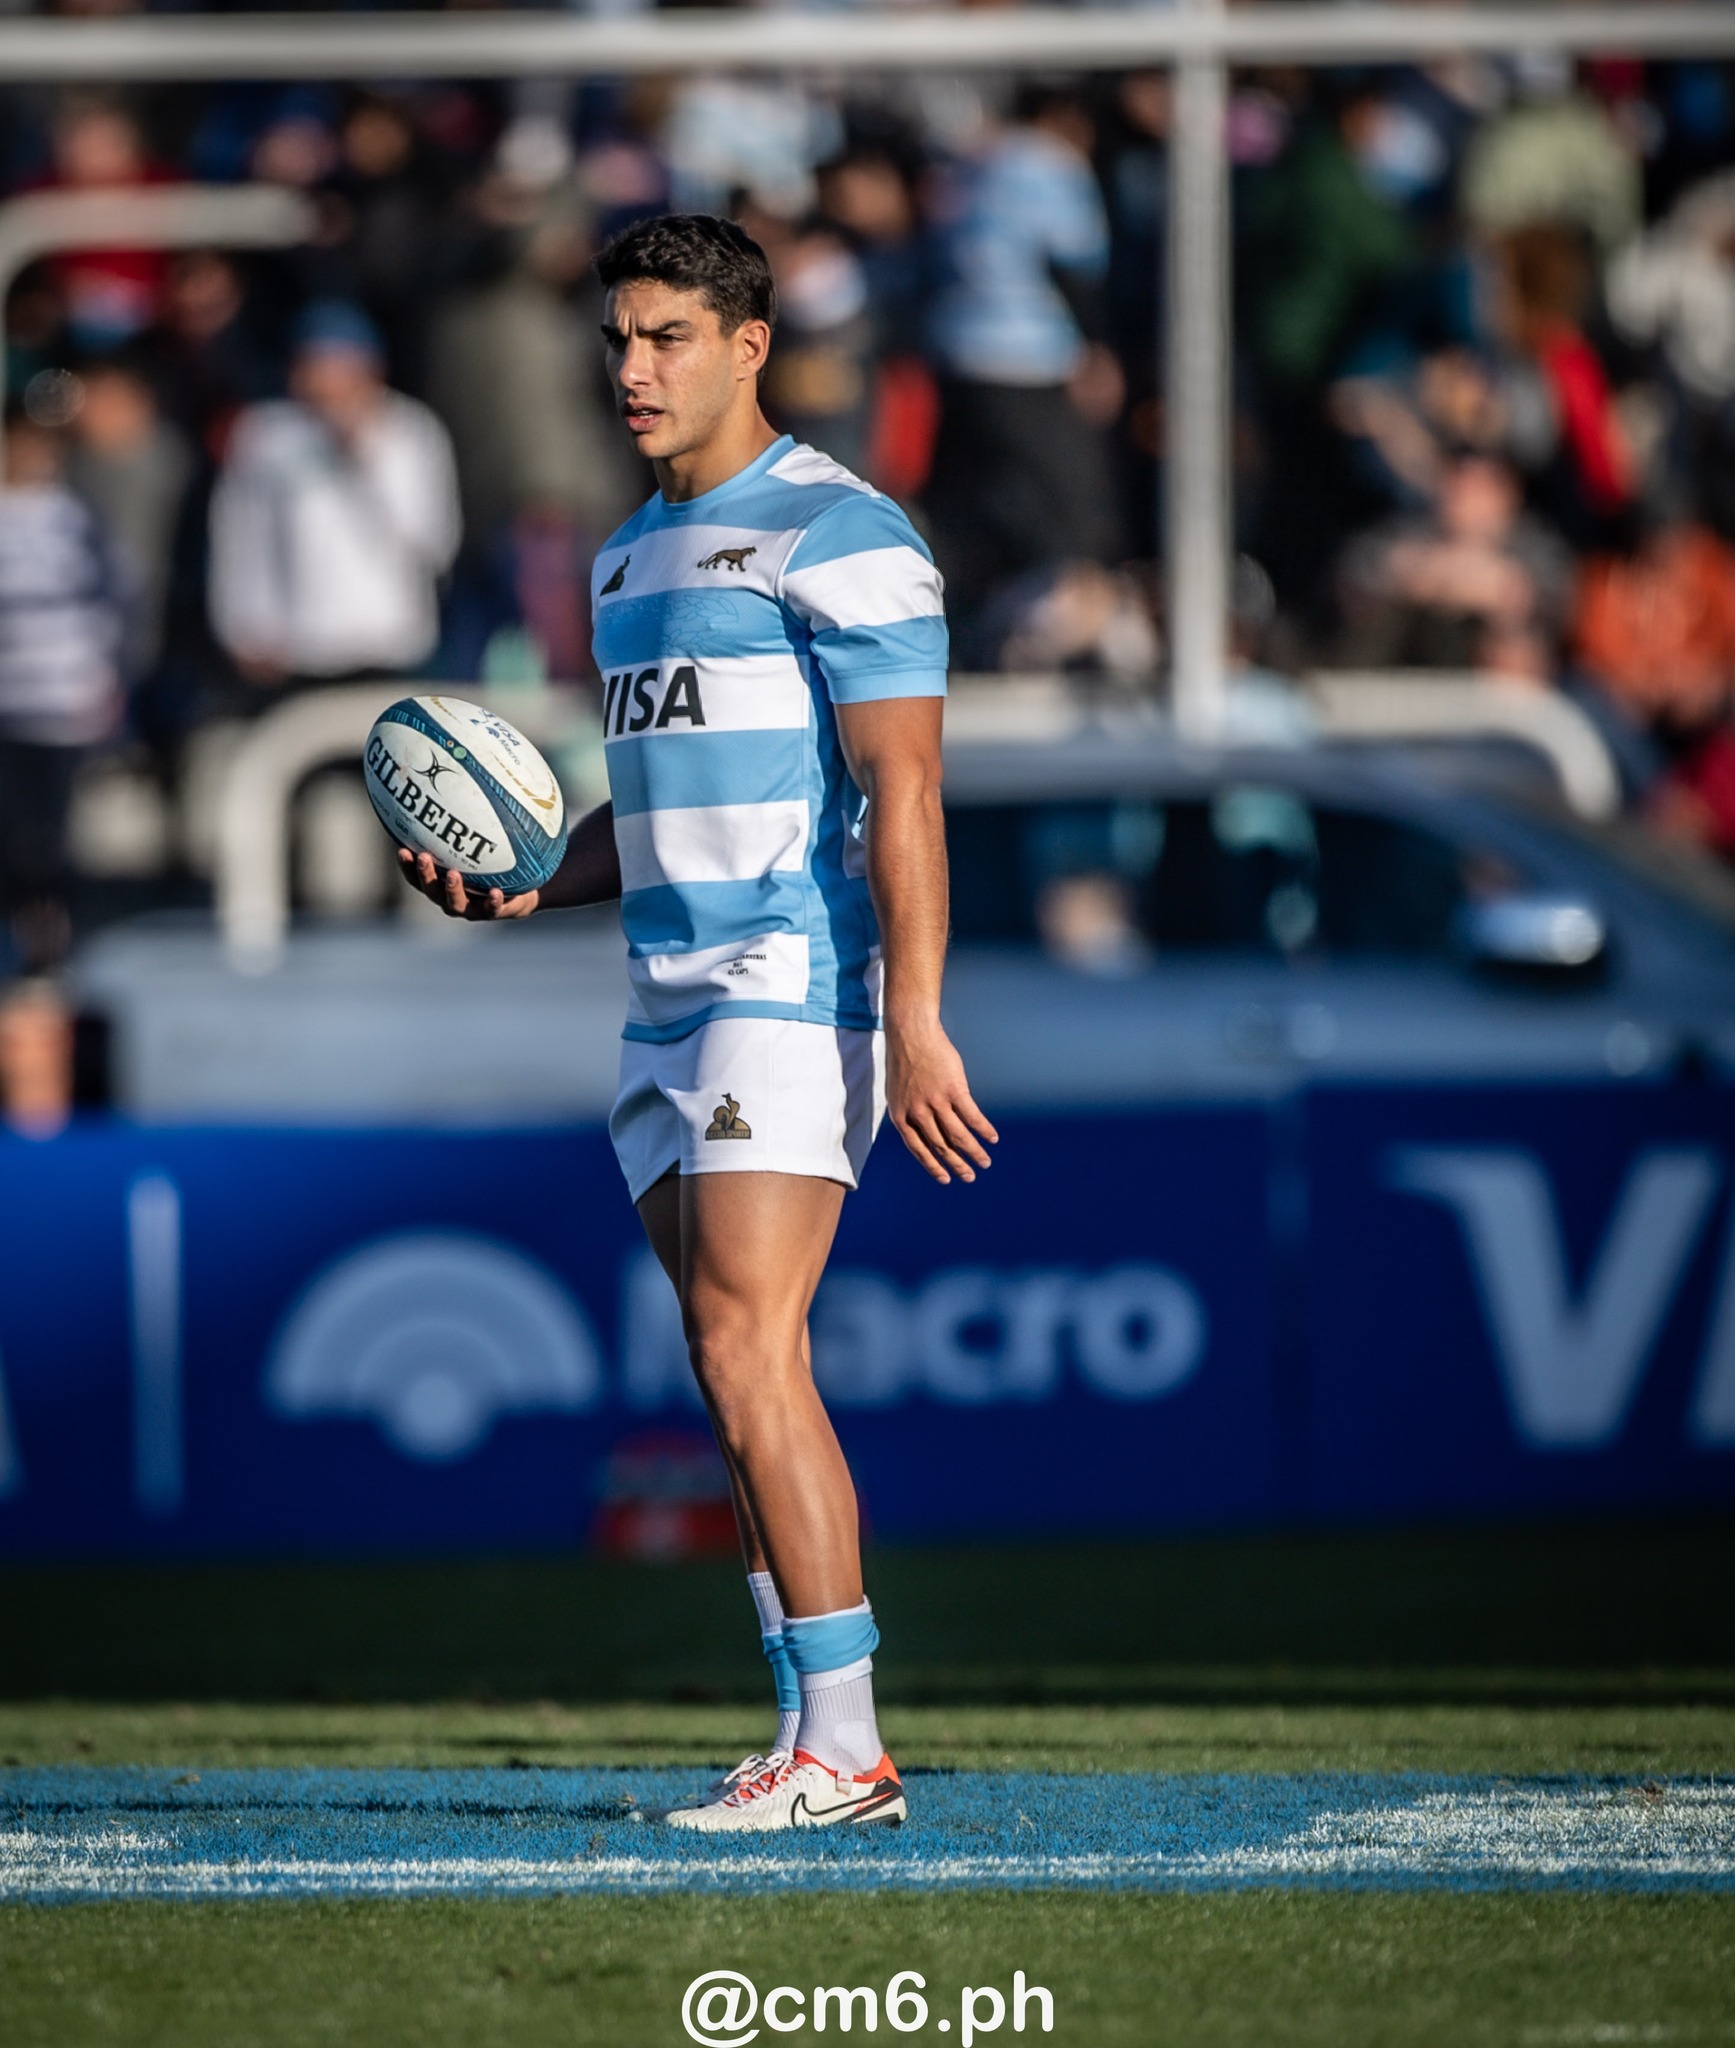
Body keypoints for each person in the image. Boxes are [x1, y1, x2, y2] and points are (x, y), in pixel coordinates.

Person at [399, 213, 995, 1833]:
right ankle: (807, 1729)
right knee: (726, 1368)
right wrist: (534, 885)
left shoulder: (843, 532)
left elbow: (907, 789)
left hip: (787, 994)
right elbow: (651, 811)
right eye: (618, 338)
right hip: (663, 1006)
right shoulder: (624, 556)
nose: (634, 367)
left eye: (668, 336)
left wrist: (919, 1018)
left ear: (750, 345)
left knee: (748, 1348)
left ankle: (852, 1748)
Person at [208, 300, 460, 689]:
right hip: (301, 654)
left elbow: (434, 543)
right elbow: (241, 539)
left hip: (392, 646)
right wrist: (244, 627)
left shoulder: (412, 432)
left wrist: (365, 457)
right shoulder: (267, 435)